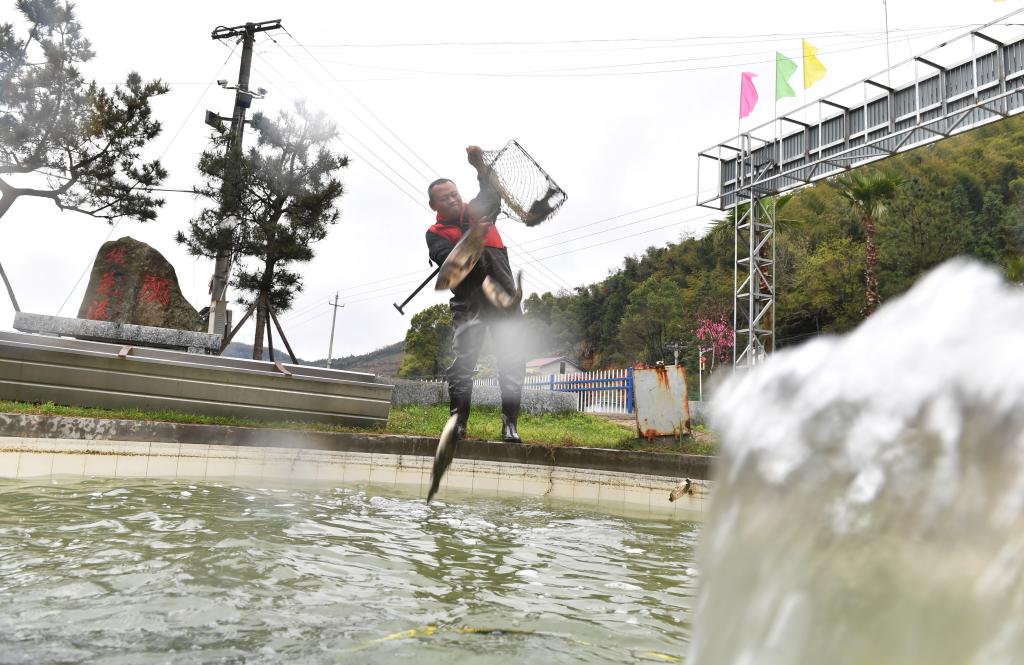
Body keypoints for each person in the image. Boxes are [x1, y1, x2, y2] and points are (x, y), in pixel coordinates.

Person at [425, 147, 525, 443]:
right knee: (463, 363)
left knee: (511, 360)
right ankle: (458, 422)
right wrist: (472, 235)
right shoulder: (435, 233)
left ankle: (510, 424)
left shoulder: (477, 210)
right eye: (445, 198)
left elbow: (492, 194)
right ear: (434, 205)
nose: (453, 200)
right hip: (468, 305)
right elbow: (450, 265)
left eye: (455, 194)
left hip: (504, 300)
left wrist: (480, 167)